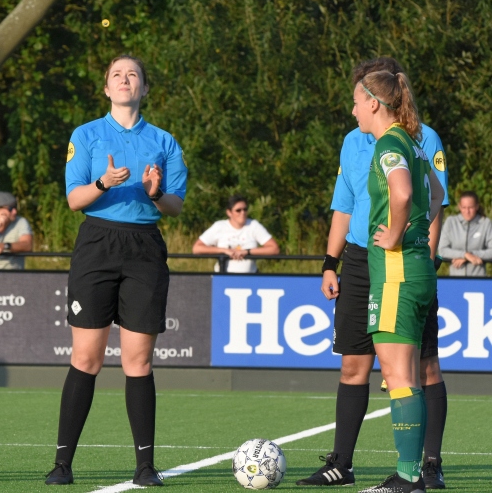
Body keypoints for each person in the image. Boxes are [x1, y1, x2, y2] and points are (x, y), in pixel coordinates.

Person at [298, 57, 449, 490]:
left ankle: (413, 473)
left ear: (376, 102)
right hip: (392, 263)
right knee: (377, 368)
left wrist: (399, 233)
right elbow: (433, 193)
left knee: (405, 373)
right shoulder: (405, 142)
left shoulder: (393, 143)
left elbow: (403, 191)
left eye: (356, 101)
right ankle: (365, 466)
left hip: (396, 267)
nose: (352, 110)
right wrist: (333, 261)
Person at [45, 54, 187, 487]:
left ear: (144, 89)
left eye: (133, 76)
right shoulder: (86, 135)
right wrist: (104, 183)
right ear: (107, 89)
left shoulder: (164, 140)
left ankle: (145, 466)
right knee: (86, 358)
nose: (125, 81)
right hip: (97, 245)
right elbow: (73, 200)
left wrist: (156, 191)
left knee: (137, 361)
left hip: (144, 247)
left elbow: (175, 206)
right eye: (117, 76)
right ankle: (62, 464)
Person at [192, 195, 280, 273]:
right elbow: (197, 248)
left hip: (249, 279)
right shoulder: (219, 226)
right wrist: (224, 251)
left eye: (245, 209)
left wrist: (247, 252)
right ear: (229, 212)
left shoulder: (253, 225)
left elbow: (274, 248)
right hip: (223, 278)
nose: (243, 213)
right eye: (238, 210)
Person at [438, 190, 492, 276]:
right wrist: (464, 255)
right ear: (459, 206)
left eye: (470, 207)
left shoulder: (486, 223)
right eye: (464, 207)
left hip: (479, 280)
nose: (467, 211)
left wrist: (470, 255)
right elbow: (442, 251)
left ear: (477, 206)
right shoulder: (451, 222)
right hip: (456, 280)